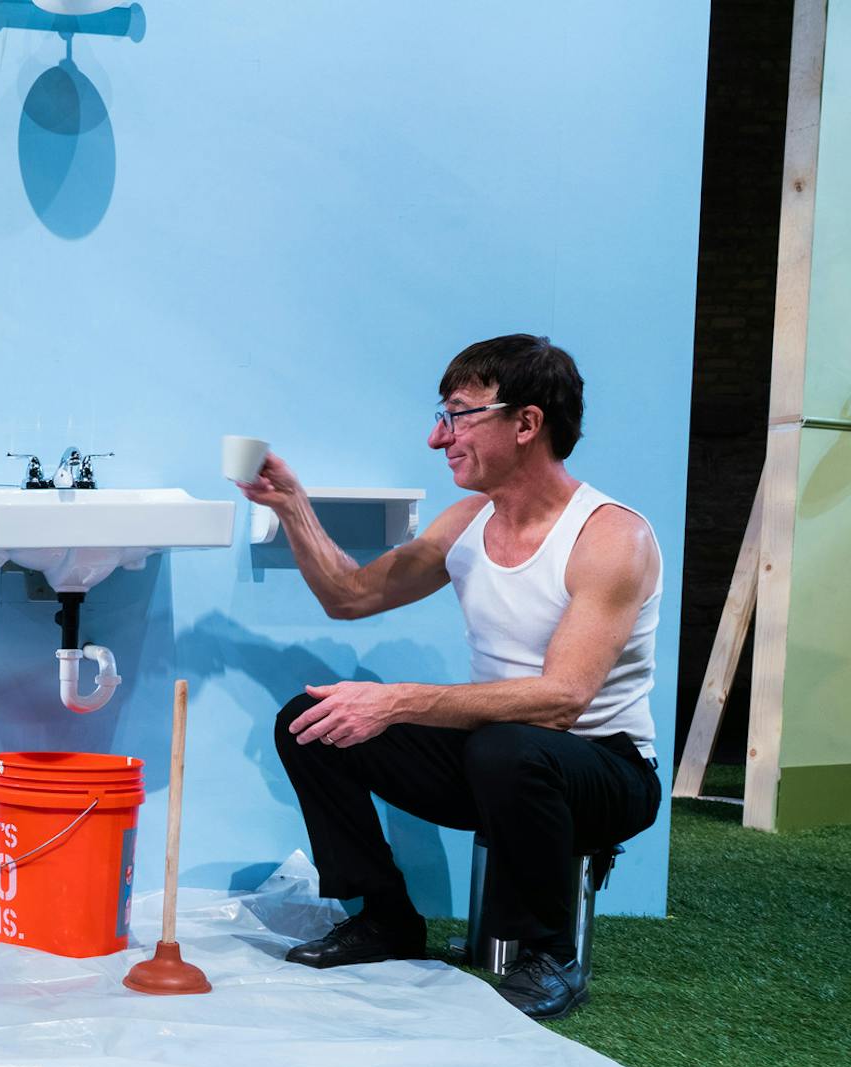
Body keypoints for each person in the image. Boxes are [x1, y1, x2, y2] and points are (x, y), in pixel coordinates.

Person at [241, 335, 661, 1019]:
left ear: (525, 423)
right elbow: (349, 594)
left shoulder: (611, 537)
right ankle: (384, 915)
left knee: (509, 744)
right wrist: (291, 504)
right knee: (310, 723)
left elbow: (563, 699)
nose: (440, 438)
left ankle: (550, 954)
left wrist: (400, 701)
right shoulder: (467, 523)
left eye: (459, 415)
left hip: (606, 769)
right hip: (499, 756)